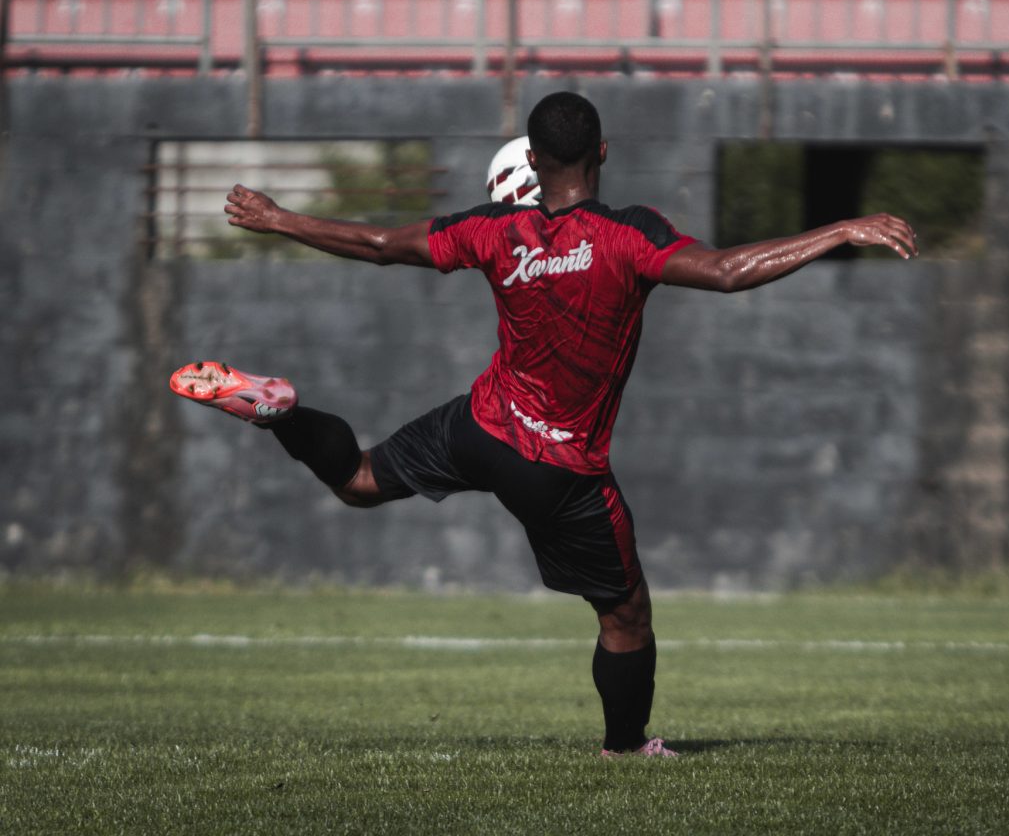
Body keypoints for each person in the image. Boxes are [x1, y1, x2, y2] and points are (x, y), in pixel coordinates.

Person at [170, 91, 918, 757]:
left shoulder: (493, 229)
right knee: (625, 615)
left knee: (359, 479)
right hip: (559, 469)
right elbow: (726, 272)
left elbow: (380, 247)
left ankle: (282, 413)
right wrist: (839, 228)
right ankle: (626, 747)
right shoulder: (631, 233)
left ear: (531, 160)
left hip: (480, 426)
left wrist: (278, 218)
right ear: (603, 153)